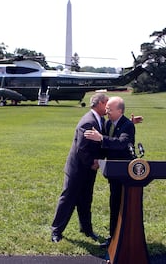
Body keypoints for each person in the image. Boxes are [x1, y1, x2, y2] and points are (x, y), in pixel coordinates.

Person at [50, 93, 109, 243]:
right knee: (68, 200)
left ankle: (86, 229)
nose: (108, 107)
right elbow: (81, 149)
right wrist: (93, 163)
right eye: (107, 103)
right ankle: (56, 231)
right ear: (100, 103)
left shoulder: (100, 120)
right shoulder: (88, 122)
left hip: (89, 169)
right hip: (77, 170)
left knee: (85, 200)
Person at [84, 96, 136, 247]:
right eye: (106, 109)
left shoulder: (128, 125)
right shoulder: (108, 123)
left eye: (110, 110)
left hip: (125, 173)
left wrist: (101, 138)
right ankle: (113, 237)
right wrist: (97, 159)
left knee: (123, 204)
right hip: (113, 172)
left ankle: (125, 236)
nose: (106, 112)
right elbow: (104, 146)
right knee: (114, 203)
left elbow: (122, 144)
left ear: (120, 111)